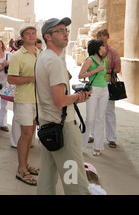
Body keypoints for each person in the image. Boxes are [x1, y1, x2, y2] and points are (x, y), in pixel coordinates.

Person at [35, 17, 91, 195]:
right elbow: (60, 101)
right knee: (74, 180)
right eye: (60, 31)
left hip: (47, 123)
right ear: (48, 36)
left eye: (66, 30)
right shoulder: (54, 61)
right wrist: (79, 97)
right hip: (62, 126)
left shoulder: (44, 57)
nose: (65, 33)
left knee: (47, 174)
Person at [7, 26, 40, 186]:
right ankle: (21, 169)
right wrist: (31, 79)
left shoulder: (40, 53)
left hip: (38, 100)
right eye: (28, 34)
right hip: (24, 99)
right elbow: (11, 79)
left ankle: (26, 163)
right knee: (26, 134)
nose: (31, 36)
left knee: (31, 134)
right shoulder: (18, 56)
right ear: (22, 38)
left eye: (33, 33)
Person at [79, 39, 108, 156]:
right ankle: (82, 146)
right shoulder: (90, 60)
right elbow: (81, 75)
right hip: (93, 90)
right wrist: (95, 70)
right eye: (103, 46)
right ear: (98, 47)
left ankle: (98, 147)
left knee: (100, 119)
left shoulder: (103, 60)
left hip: (104, 90)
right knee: (90, 119)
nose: (105, 48)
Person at [97, 29, 121, 148]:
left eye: (104, 35)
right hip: (96, 84)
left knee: (109, 112)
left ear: (107, 37)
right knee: (95, 111)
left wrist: (105, 71)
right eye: (100, 36)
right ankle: (92, 135)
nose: (102, 38)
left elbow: (117, 69)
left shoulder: (113, 51)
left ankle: (111, 138)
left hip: (108, 84)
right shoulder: (94, 51)